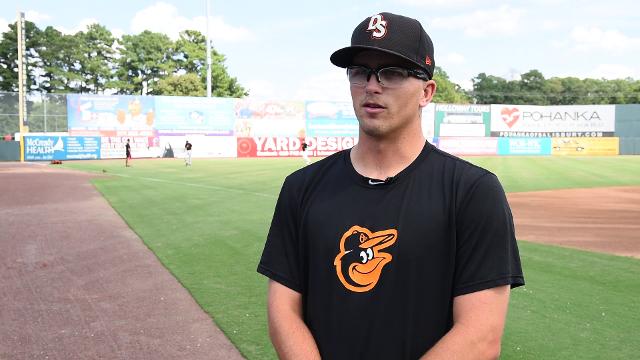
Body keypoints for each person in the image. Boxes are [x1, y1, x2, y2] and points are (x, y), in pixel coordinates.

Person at [257, 12, 524, 359]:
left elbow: (480, 336)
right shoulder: (301, 187)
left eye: (392, 73)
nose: (372, 85)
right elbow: (283, 310)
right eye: (359, 71)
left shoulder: (473, 192)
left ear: (426, 91)